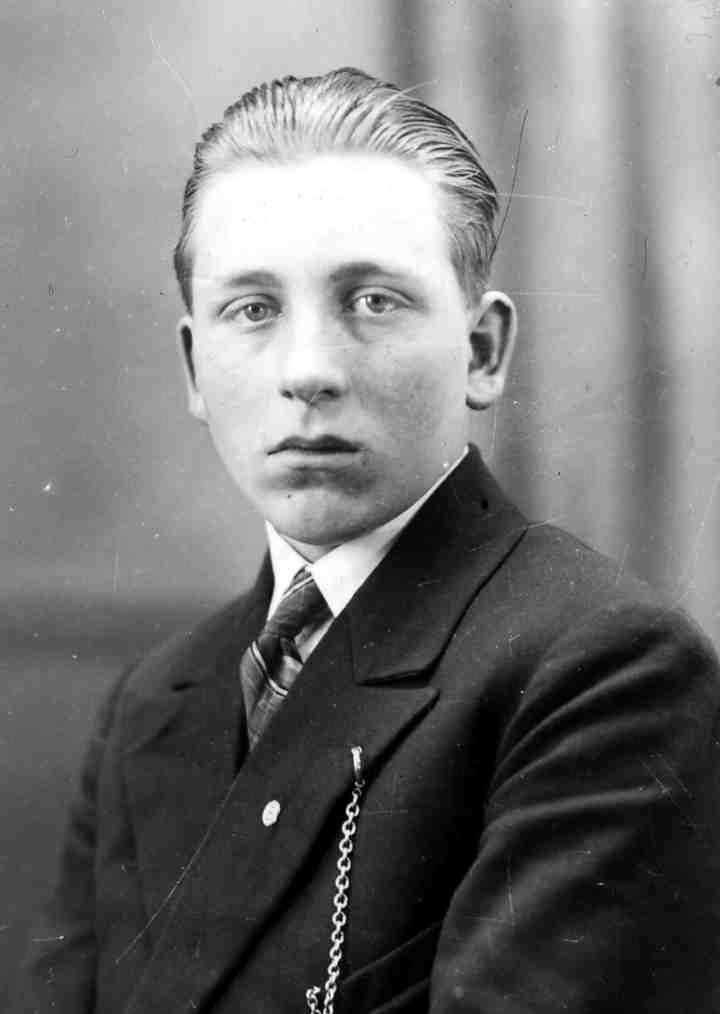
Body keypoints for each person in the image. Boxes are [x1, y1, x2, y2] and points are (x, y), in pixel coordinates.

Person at [14, 67, 720, 1014]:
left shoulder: (598, 669)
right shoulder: (154, 702)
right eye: (253, 310)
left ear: (482, 352)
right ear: (193, 366)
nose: (308, 370)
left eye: (373, 301)